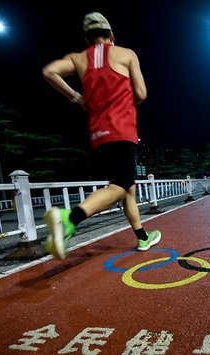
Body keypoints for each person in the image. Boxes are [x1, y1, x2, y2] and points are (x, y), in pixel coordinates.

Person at [41, 11, 161, 260]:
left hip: (98, 134)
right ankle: (69, 218)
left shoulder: (78, 58)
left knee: (127, 186)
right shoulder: (126, 54)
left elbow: (50, 71)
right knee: (119, 186)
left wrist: (78, 98)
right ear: (111, 36)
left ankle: (142, 237)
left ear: (87, 39)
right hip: (122, 130)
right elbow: (141, 94)